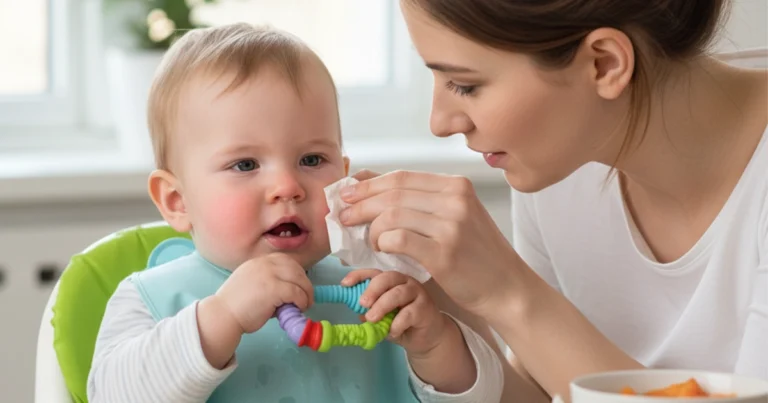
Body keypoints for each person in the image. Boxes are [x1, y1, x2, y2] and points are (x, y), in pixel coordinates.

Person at [337, 1, 768, 402]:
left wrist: (507, 289)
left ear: (604, 63)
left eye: (465, 85)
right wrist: (448, 316)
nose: (440, 123)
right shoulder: (566, 156)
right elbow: (545, 394)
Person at [86, 23, 505, 402]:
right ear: (177, 201)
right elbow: (111, 394)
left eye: (311, 160)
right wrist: (223, 317)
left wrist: (435, 346)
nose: (287, 187)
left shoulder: (373, 286)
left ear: (342, 179)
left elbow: (492, 397)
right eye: (245, 165)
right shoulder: (150, 300)